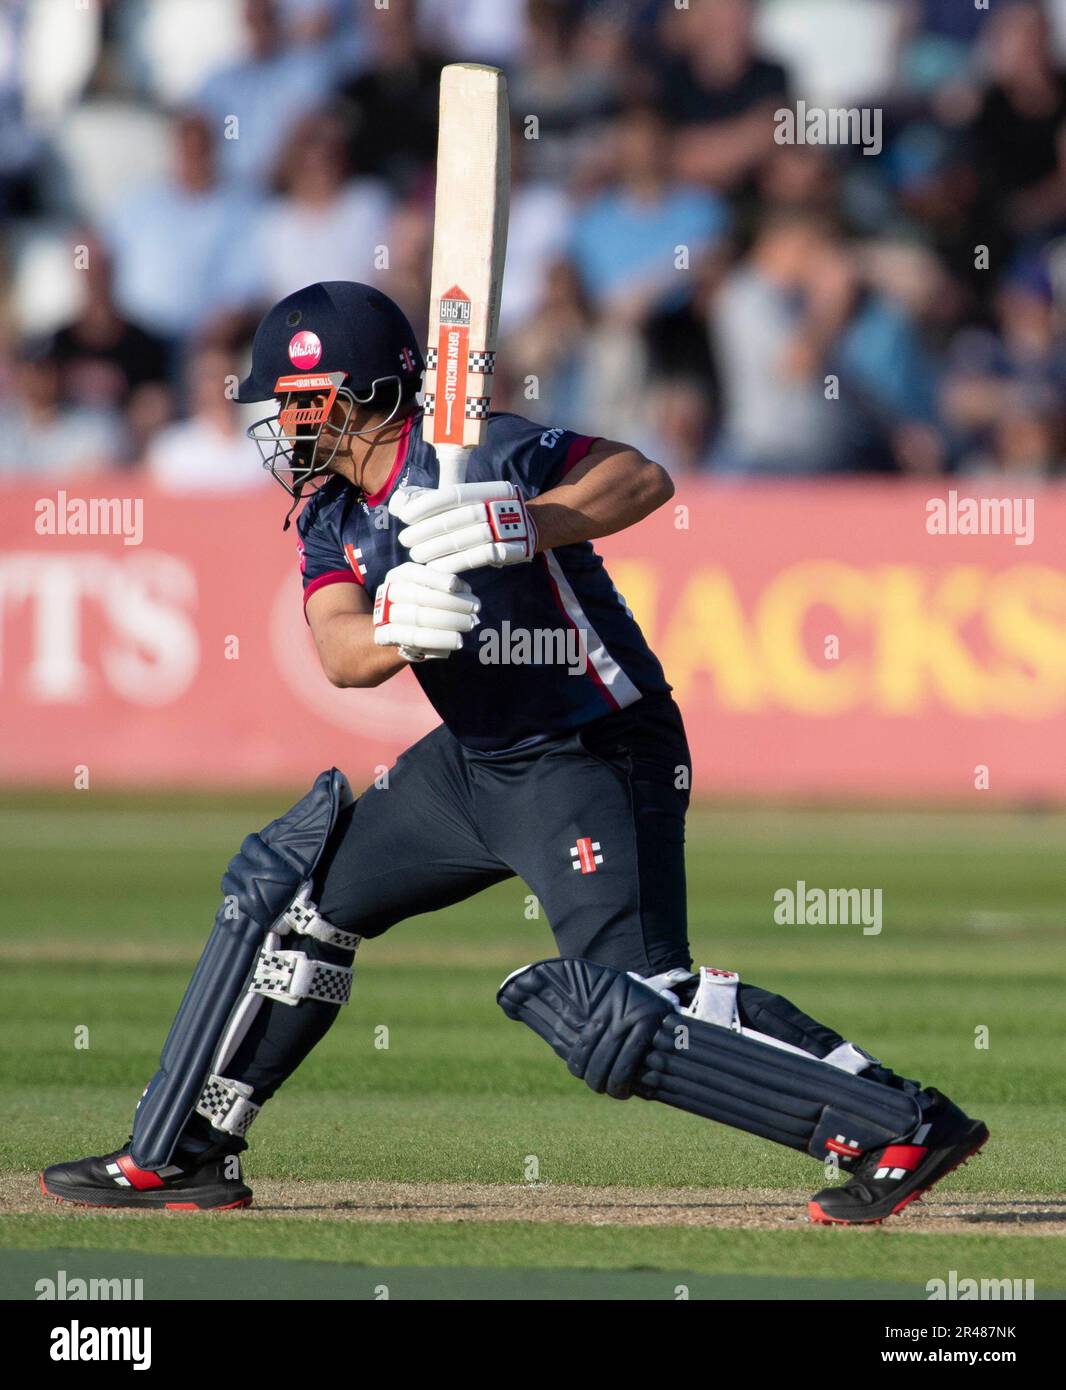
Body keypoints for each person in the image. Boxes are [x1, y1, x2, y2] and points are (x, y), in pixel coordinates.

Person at [41, 282, 988, 1225]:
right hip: (471, 764)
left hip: (594, 751)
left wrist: (525, 521)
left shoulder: (482, 448)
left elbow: (641, 477)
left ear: (366, 392)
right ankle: (185, 1153)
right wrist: (398, 635)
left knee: (629, 1009)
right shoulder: (330, 512)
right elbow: (338, 649)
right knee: (293, 902)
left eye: (302, 398)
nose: (285, 422)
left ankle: (898, 1123)